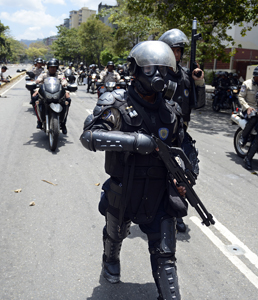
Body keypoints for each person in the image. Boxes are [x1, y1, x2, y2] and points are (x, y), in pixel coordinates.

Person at [80, 41, 186, 300]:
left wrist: (183, 173)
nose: (158, 75)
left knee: (166, 255)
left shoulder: (171, 110)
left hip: (159, 191)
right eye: (150, 68)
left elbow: (182, 147)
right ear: (135, 70)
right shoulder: (115, 101)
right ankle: (110, 259)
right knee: (116, 235)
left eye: (163, 69)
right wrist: (138, 142)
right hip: (124, 188)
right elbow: (89, 136)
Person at [158, 28, 205, 233]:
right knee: (159, 172)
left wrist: (199, 81)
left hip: (181, 133)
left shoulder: (186, 75)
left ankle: (177, 211)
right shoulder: (156, 73)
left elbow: (198, 103)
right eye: (172, 50)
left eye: (179, 51)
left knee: (188, 172)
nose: (176, 55)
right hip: (160, 134)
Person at [32, 58, 71, 134]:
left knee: (68, 100)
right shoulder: (44, 75)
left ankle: (63, 123)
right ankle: (39, 120)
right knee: (34, 98)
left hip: (58, 92)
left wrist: (65, 84)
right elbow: (39, 79)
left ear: (56, 68)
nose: (52, 69)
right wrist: (36, 82)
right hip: (44, 91)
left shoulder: (60, 75)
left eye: (54, 67)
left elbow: (64, 81)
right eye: (51, 67)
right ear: (48, 68)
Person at [238, 66, 258, 147]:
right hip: (249, 108)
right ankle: (243, 137)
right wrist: (247, 107)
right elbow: (240, 97)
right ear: (257, 75)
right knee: (254, 118)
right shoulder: (246, 84)